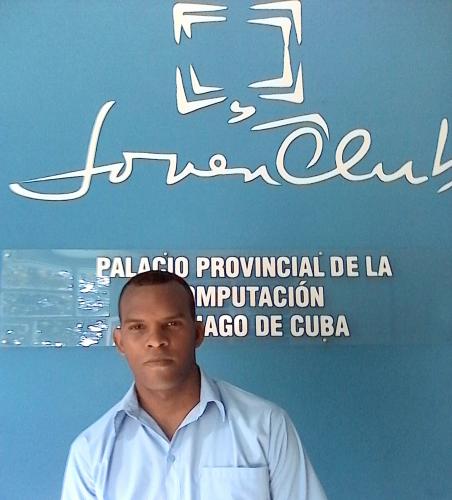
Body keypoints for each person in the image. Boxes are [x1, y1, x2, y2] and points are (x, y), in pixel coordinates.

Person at [61, 270, 327, 499]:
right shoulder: (90, 453)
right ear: (120, 342)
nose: (156, 340)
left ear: (198, 333)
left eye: (171, 324)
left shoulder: (266, 426)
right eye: (138, 327)